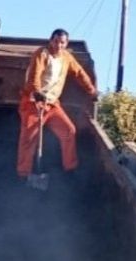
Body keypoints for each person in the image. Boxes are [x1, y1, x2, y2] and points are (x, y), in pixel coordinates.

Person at [16, 28, 98, 179]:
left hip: (52, 104)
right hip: (33, 103)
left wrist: (91, 91)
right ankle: (23, 174)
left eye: (62, 42)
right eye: (56, 41)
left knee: (69, 131)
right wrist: (36, 91)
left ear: (66, 44)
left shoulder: (66, 57)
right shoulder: (42, 53)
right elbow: (34, 74)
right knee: (29, 138)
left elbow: (79, 73)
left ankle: (70, 168)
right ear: (50, 41)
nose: (58, 45)